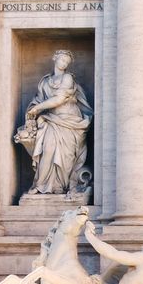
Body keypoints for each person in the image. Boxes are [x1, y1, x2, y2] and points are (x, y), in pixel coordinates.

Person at [16, 50, 92, 195]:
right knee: (48, 150)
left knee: (66, 156)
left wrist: (38, 108)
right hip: (51, 120)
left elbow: (59, 99)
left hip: (70, 122)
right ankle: (41, 185)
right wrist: (33, 109)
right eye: (62, 60)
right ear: (55, 58)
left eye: (66, 62)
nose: (64, 64)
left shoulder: (68, 78)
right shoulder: (45, 82)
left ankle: (60, 187)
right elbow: (37, 100)